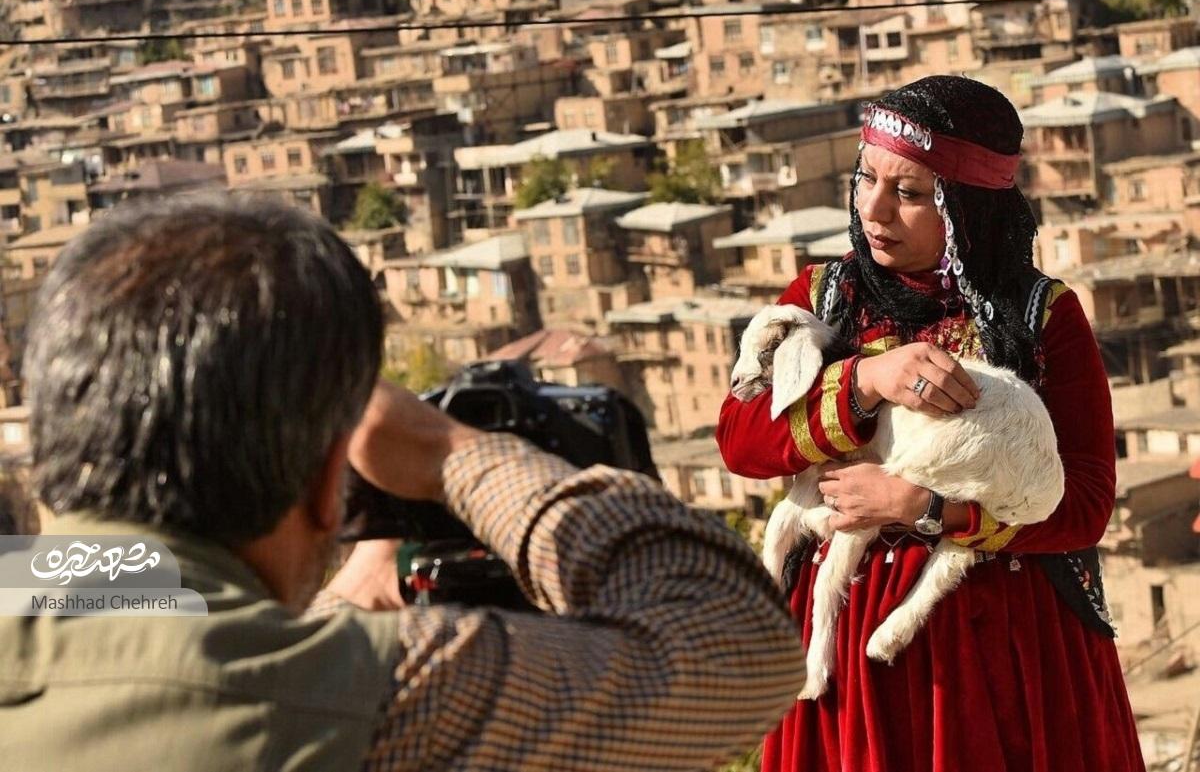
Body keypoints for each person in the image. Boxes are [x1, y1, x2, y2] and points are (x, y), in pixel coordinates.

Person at [0, 193, 805, 770]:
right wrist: (448, 454)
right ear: (330, 481)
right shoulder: (358, 695)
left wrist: (340, 602)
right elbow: (738, 650)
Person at [717, 76, 1146, 772]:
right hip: (842, 651)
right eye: (866, 179)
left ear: (966, 205)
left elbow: (1085, 504)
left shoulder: (1039, 318)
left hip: (998, 648)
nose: (875, 208)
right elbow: (741, 441)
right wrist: (864, 382)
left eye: (911, 193)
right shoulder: (824, 298)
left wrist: (925, 507)